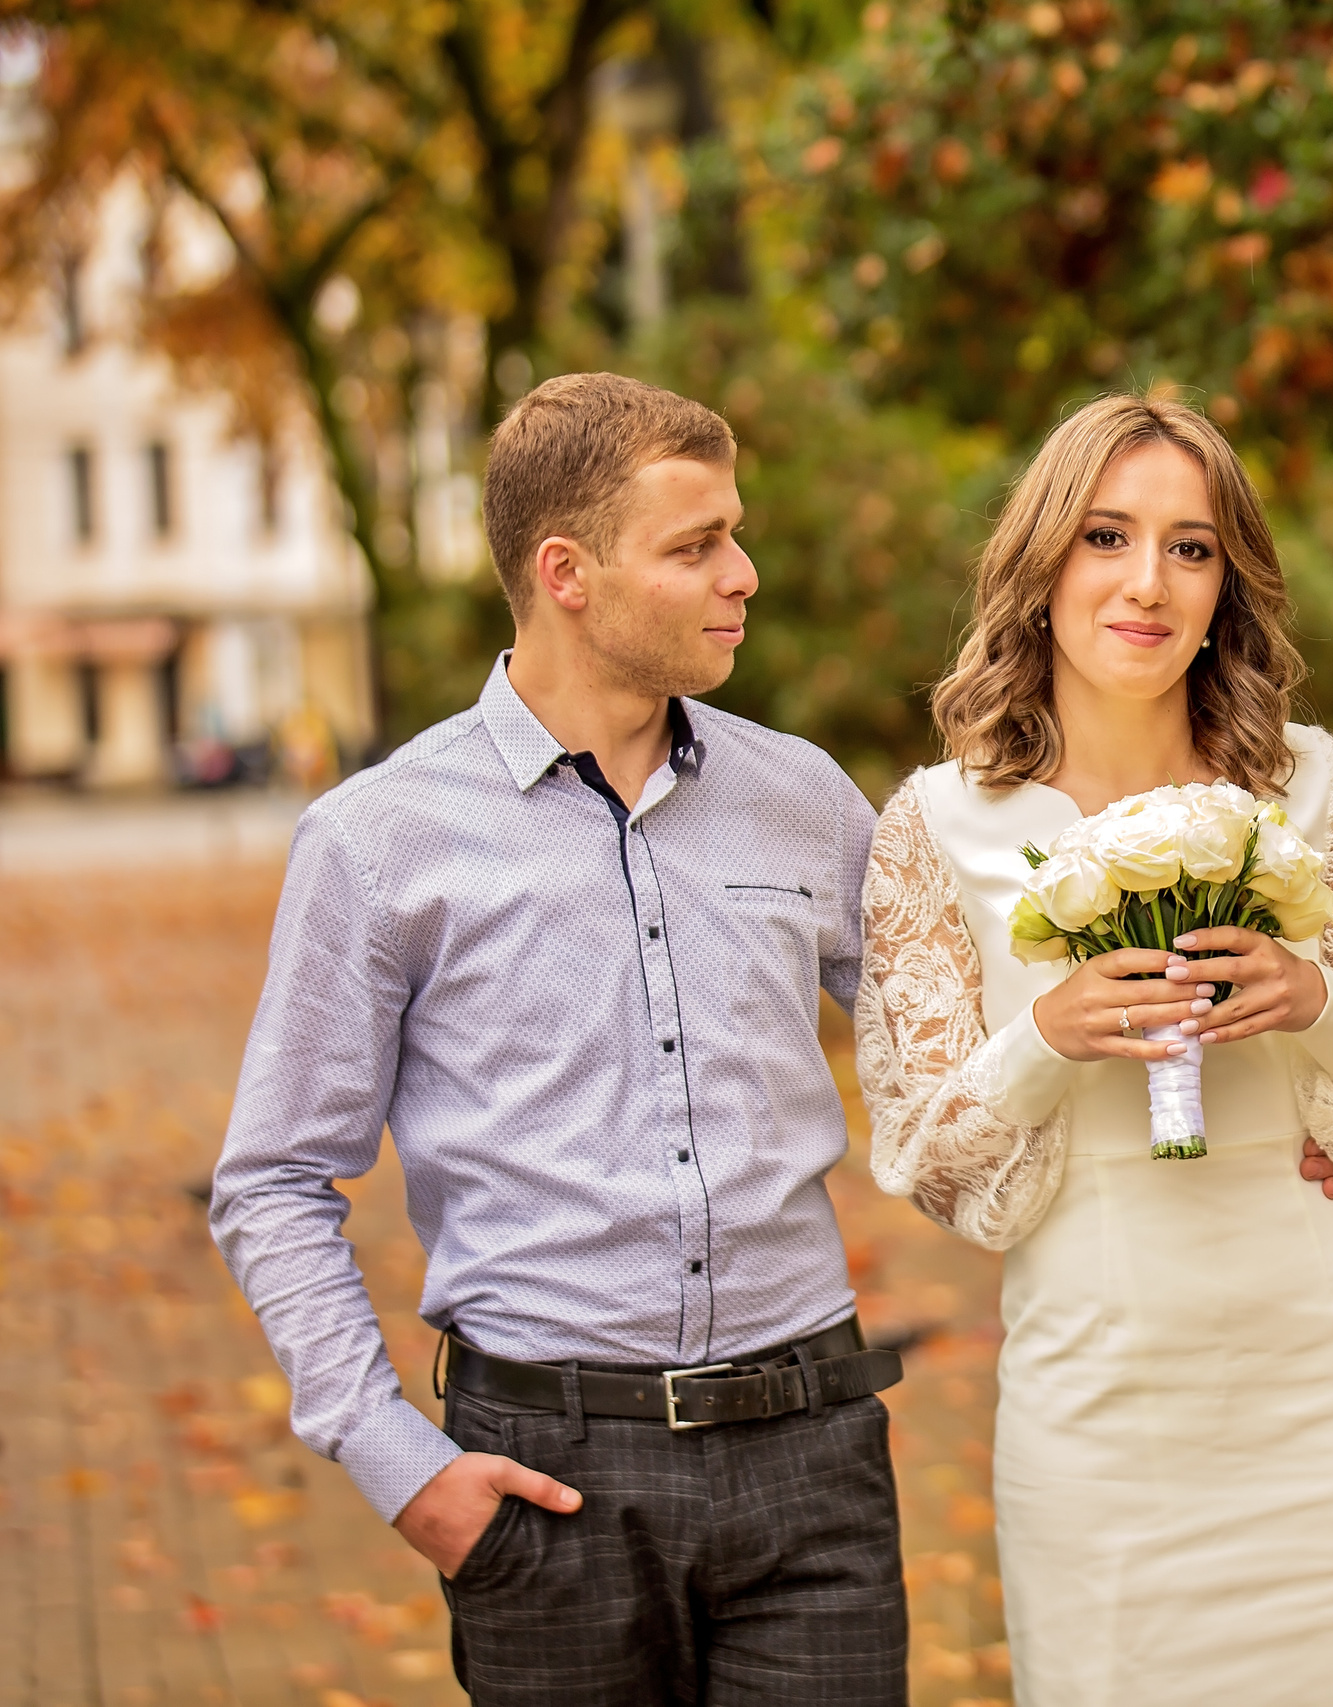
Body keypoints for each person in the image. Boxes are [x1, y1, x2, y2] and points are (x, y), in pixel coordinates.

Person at [209, 373, 907, 1704]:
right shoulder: (378, 844)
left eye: (734, 533)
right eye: (696, 545)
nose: (743, 573)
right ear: (567, 572)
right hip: (547, 1486)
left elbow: (957, 1065)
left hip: (813, 1462)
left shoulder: (805, 801)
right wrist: (397, 1466)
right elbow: (273, 1184)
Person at [854, 392, 1333, 1705]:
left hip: (1331, 1401)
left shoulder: (1319, 787)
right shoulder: (936, 826)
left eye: (1191, 548)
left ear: (1226, 585)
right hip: (1105, 1423)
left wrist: (1318, 1001)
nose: (1149, 583)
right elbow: (929, 1157)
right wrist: (1048, 1036)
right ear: (1041, 565)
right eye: (1107, 538)